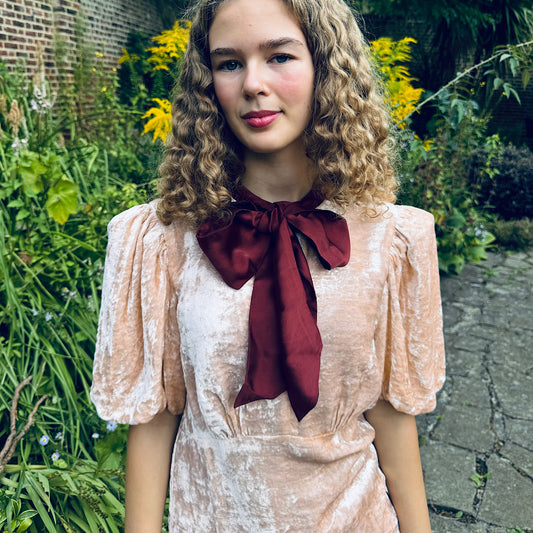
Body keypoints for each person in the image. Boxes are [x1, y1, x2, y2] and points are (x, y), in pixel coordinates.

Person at [90, 0, 445, 531]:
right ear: (208, 82)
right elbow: (155, 417)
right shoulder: (161, 240)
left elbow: (392, 417)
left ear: (327, 67)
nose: (253, 83)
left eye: (279, 56)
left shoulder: (392, 239)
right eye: (229, 62)